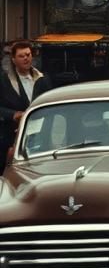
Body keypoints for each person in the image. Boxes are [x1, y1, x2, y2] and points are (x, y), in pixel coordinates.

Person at [0, 41, 53, 174]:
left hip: (41, 136)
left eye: (28, 55)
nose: (26, 58)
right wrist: (13, 114)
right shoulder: (4, 81)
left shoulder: (43, 79)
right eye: (21, 56)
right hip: (12, 138)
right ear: (13, 59)